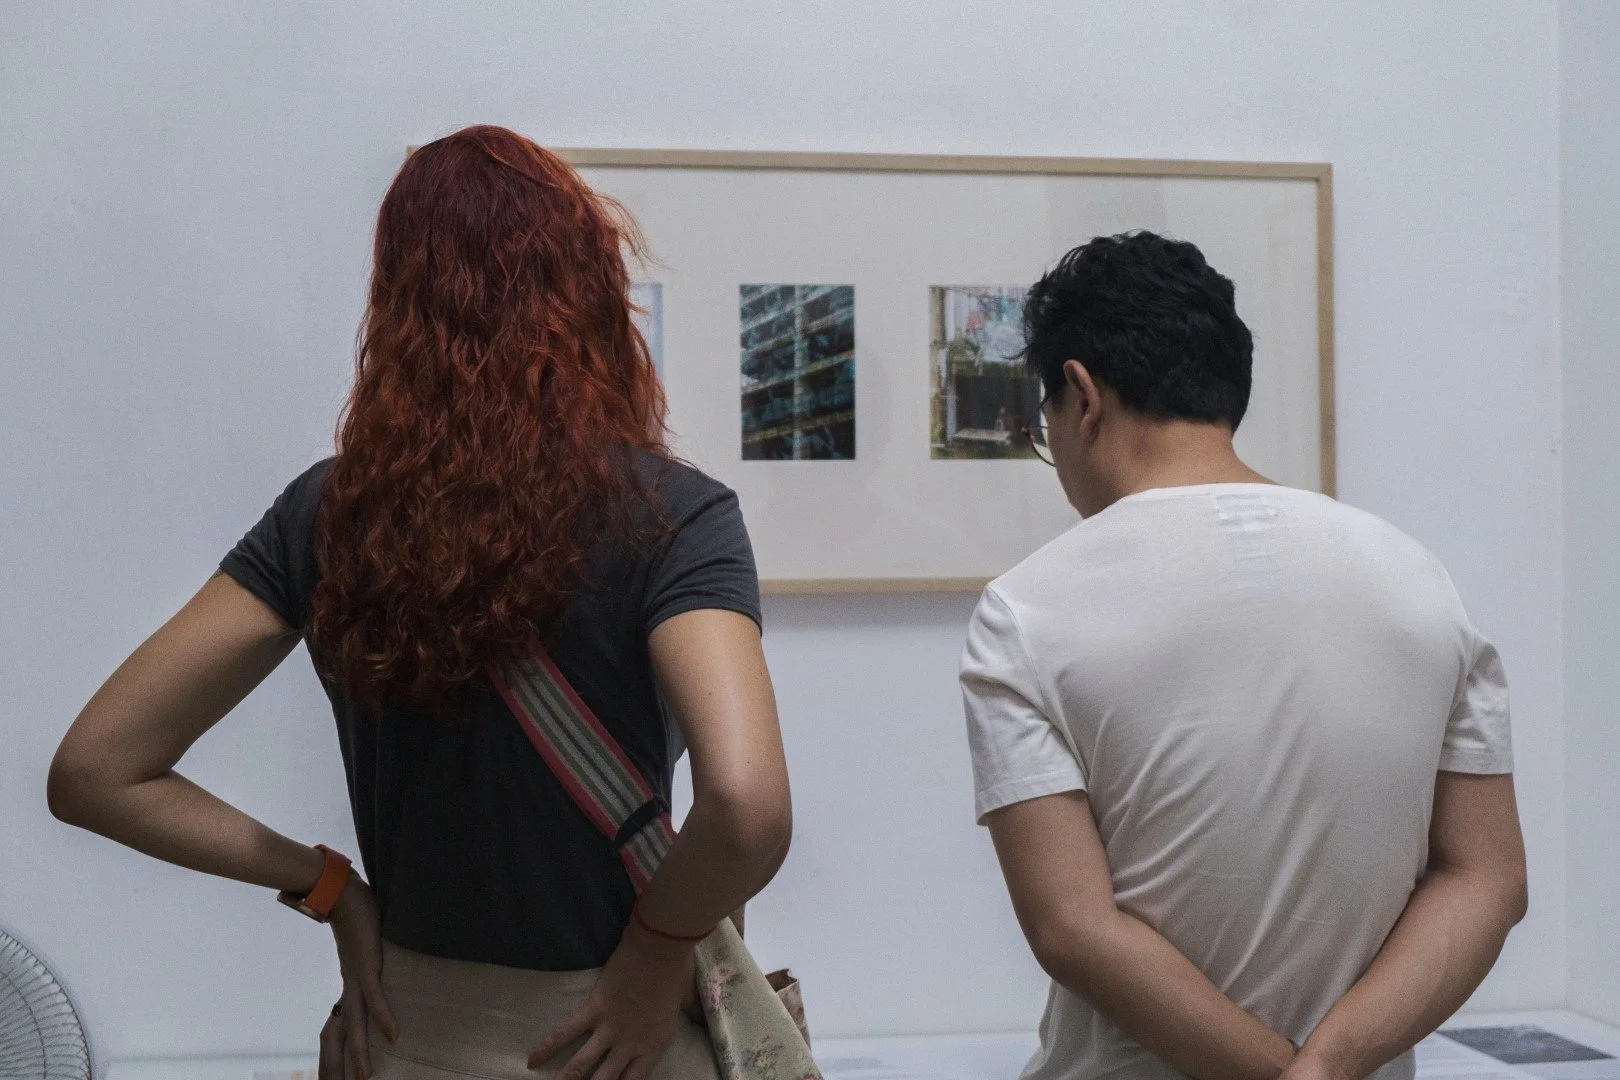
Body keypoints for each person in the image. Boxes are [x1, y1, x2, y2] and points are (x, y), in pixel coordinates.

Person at [48, 125, 793, 1080]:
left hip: (409, 1033)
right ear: (590, 295)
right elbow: (747, 806)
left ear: (399, 304)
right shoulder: (674, 516)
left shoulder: (328, 514)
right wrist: (655, 958)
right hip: (611, 1037)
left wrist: (330, 888)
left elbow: (96, 770)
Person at [963, 232, 1527, 1080]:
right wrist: (1326, 1065)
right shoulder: (1417, 577)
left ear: (1081, 395)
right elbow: (1486, 879)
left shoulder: (1026, 609)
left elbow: (1072, 927)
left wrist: (1275, 1071)